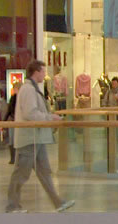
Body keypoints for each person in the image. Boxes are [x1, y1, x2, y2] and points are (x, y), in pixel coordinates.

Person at [6, 59, 75, 213]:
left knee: (45, 172)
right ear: (36, 71)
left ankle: (58, 202)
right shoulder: (28, 90)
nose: (45, 74)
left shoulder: (32, 89)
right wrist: (50, 118)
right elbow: (30, 113)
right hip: (29, 139)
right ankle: (12, 206)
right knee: (20, 174)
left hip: (36, 138)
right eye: (43, 71)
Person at [4, 81, 22, 164]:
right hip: (12, 120)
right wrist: (4, 121)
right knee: (12, 140)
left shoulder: (22, 98)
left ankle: (17, 157)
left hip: (19, 121)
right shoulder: (13, 98)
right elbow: (9, 110)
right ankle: (13, 158)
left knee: (18, 139)